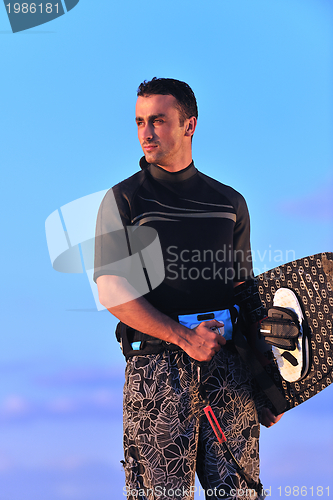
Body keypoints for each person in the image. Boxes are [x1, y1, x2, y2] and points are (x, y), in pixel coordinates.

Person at [93, 78, 282, 500]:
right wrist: (182, 337)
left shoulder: (229, 203)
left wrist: (267, 382)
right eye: (140, 121)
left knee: (240, 495)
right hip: (157, 372)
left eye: (158, 121)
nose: (146, 132)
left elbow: (243, 293)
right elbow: (111, 290)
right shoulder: (124, 200)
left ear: (188, 124)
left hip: (228, 371)